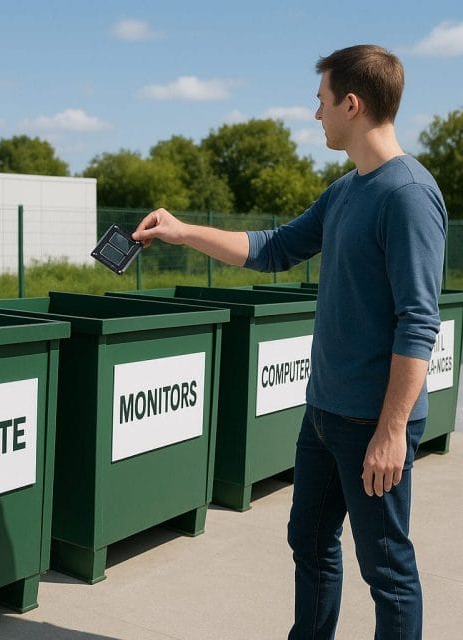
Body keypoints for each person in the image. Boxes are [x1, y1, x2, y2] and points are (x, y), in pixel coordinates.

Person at [132, 44, 447, 639]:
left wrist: (389, 434)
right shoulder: (348, 189)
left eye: (321, 102)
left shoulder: (407, 195)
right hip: (325, 413)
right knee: (308, 541)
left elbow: (418, 323)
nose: (316, 115)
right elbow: (272, 247)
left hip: (371, 425)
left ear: (351, 104)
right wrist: (181, 232)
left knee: (388, 572)